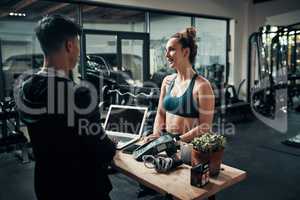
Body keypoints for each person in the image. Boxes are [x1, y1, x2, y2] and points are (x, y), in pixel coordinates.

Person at [14, 15, 116, 200]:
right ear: (69, 45)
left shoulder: (25, 88)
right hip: (83, 190)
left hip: (47, 186)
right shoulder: (78, 95)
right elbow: (103, 150)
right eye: (77, 44)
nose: (78, 50)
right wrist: (111, 143)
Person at [146, 27, 215, 143]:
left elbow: (205, 126)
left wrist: (176, 141)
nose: (166, 55)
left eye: (171, 49)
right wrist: (157, 136)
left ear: (186, 52)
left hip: (187, 147)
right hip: (166, 142)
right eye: (166, 50)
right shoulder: (167, 81)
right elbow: (160, 113)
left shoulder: (202, 86)